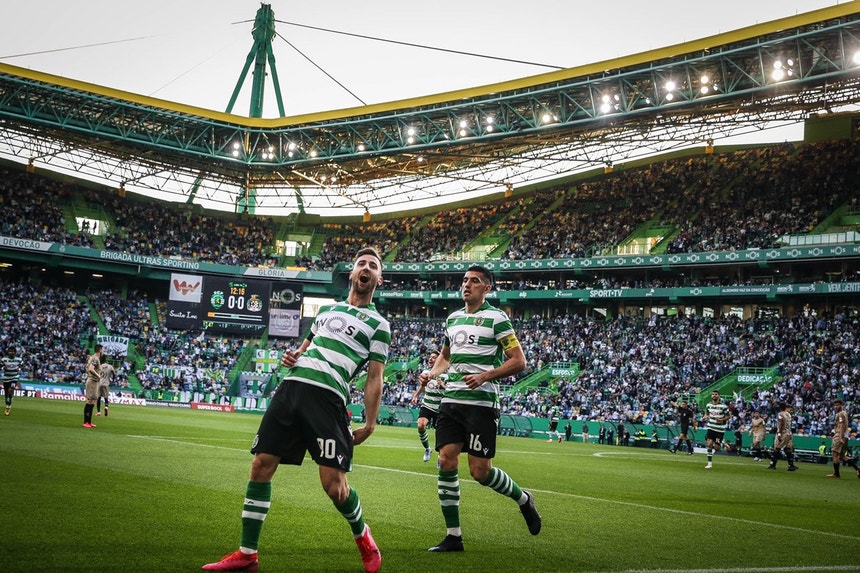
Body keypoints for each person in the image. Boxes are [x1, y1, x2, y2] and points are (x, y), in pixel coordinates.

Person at [201, 248, 390, 573]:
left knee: (335, 487)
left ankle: (363, 535)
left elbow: (375, 378)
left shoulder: (379, 324)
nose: (366, 268)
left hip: (328, 398)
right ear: (352, 273)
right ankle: (247, 554)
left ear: (378, 279)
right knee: (261, 464)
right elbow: (302, 350)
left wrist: (370, 424)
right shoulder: (327, 311)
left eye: (373, 266)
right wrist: (293, 356)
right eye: (361, 263)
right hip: (291, 389)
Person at [420, 265, 541, 553]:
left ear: (486, 288)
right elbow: (446, 356)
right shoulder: (453, 319)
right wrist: (432, 373)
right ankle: (453, 536)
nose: (467, 285)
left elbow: (519, 361)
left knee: (480, 472)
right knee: (446, 460)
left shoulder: (497, 319)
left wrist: (485, 375)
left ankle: (524, 499)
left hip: (481, 404)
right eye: (464, 280)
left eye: (474, 281)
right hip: (451, 401)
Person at [410, 350, 445, 465]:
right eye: (430, 357)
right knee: (421, 425)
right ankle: (427, 449)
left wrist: (443, 386)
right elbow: (423, 386)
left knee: (441, 434)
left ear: (439, 360)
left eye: (434, 357)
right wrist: (416, 395)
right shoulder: (426, 372)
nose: (430, 359)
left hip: (440, 408)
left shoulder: (446, 375)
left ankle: (441, 456)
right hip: (427, 405)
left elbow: (452, 391)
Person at [826, 398, 860, 478]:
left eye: (837, 405)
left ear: (841, 405)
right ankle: (857, 469)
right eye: (835, 405)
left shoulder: (841, 414)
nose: (836, 407)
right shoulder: (844, 413)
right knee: (842, 455)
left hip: (840, 435)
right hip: (845, 435)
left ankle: (836, 474)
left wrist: (840, 437)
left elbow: (842, 425)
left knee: (835, 454)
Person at [702, 391, 730, 469]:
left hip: (720, 429)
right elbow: (707, 413)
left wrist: (721, 419)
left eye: (716, 394)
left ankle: (722, 442)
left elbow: (728, 416)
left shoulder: (723, 406)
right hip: (710, 427)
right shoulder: (708, 405)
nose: (714, 395)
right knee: (709, 444)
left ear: (719, 396)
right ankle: (709, 464)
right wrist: (705, 417)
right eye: (713, 394)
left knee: (717, 448)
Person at [767, 402, 798, 472]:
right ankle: (791, 465)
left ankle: (773, 464)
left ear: (780, 407)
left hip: (783, 433)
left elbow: (780, 423)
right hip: (789, 433)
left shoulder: (780, 414)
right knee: (787, 449)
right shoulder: (789, 415)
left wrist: (778, 433)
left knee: (777, 448)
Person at [82, 344, 104, 428]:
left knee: (93, 401)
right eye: (103, 350)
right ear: (100, 350)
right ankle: (86, 422)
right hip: (92, 381)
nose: (103, 351)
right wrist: (98, 376)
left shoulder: (94, 358)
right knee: (89, 401)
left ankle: (89, 421)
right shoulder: (95, 358)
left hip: (94, 382)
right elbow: (91, 369)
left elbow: (87, 367)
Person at [2, 346, 22, 416]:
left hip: (14, 377)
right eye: (10, 351)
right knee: (6, 394)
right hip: (6, 378)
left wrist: (19, 369)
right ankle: (8, 402)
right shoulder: (4, 359)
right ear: (8, 352)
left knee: (10, 390)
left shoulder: (19, 359)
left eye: (12, 351)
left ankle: (8, 407)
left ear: (15, 352)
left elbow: (21, 365)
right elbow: (1, 366)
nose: (11, 352)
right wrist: (3, 368)